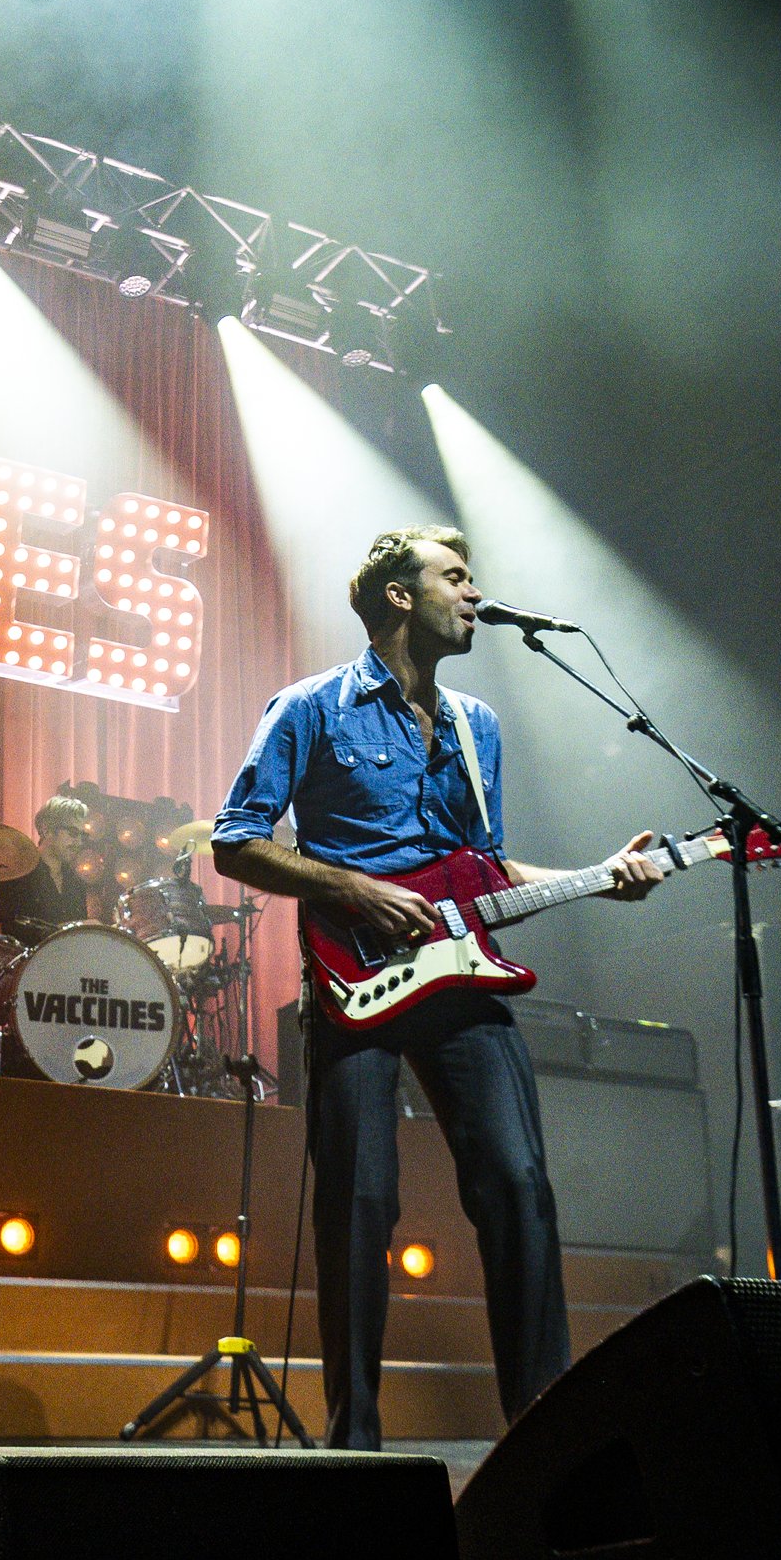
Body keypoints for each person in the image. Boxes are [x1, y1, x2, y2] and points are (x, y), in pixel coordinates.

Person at [210, 524, 664, 1451]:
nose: (475, 592)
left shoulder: (476, 724)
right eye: (455, 576)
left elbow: (482, 870)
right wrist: (349, 886)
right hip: (356, 979)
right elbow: (235, 836)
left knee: (518, 1181)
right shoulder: (310, 706)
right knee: (361, 1200)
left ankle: (544, 1440)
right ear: (399, 597)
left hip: (462, 979)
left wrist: (593, 875)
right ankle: (356, 1445)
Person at [0, 794, 92, 944]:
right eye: (73, 833)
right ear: (46, 830)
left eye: (82, 835)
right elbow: (17, 934)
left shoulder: (76, 882)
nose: (79, 842)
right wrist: (79, 927)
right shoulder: (17, 873)